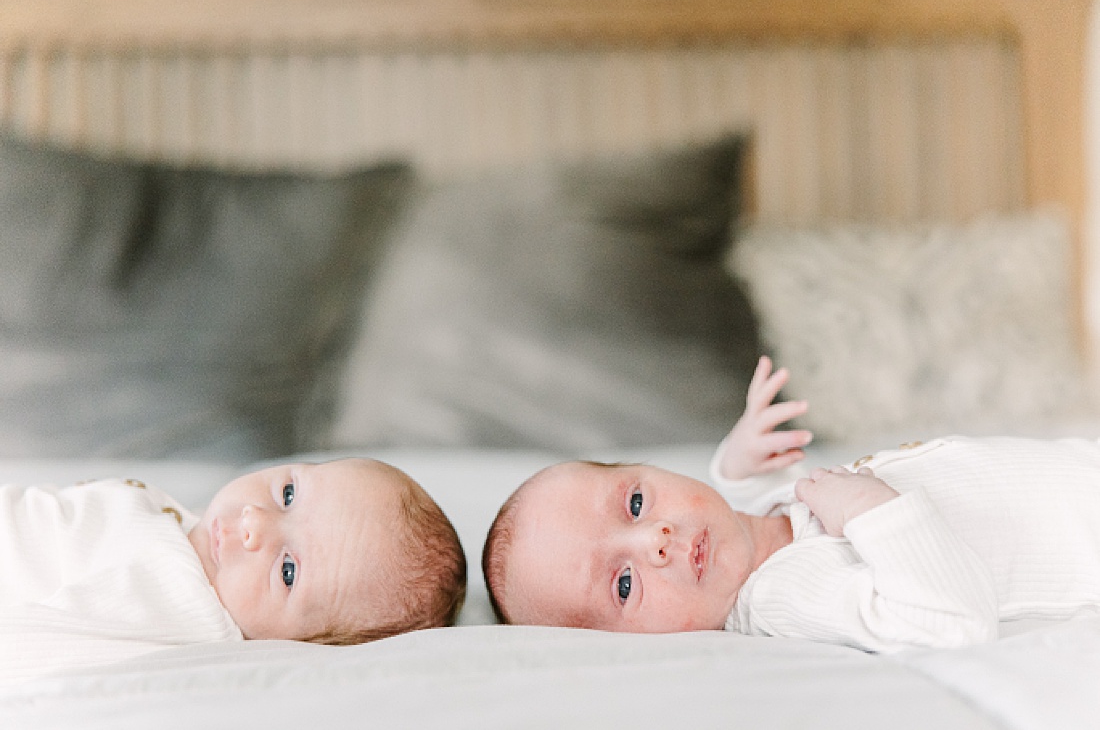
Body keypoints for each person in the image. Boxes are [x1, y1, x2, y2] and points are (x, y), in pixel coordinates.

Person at [481, 356, 1100, 652]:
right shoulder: (784, 597)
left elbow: (748, 505)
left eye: (637, 501)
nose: (657, 539)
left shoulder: (755, 534)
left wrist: (738, 460)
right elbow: (950, 623)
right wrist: (873, 512)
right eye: (622, 584)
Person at [1, 457, 467, 684]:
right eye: (288, 494)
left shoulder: (180, 601)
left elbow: (38, 646)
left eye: (288, 572)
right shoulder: (191, 537)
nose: (254, 522)